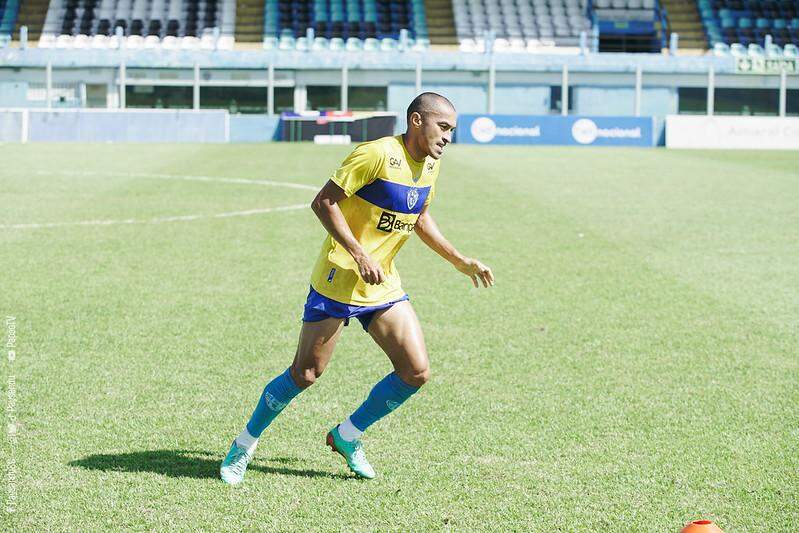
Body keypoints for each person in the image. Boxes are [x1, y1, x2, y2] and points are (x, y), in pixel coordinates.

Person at [220, 92, 494, 483]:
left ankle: (347, 435)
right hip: (338, 280)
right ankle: (244, 444)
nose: (449, 136)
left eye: (453, 129)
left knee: (415, 371)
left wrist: (459, 260)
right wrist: (359, 254)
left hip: (382, 285)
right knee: (306, 374)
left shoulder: (430, 165)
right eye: (444, 126)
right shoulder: (377, 154)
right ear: (417, 121)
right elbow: (324, 202)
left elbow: (419, 218)